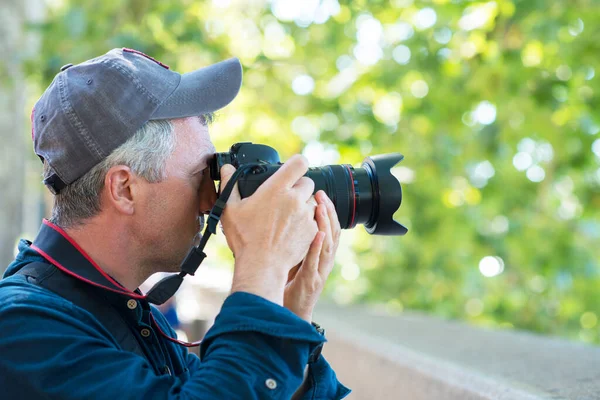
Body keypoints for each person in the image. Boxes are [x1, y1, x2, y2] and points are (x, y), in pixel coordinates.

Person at [0, 48, 350, 399]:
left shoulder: (125, 311)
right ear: (124, 188)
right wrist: (261, 267)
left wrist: (288, 313)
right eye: (200, 175)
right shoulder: (23, 328)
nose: (212, 201)